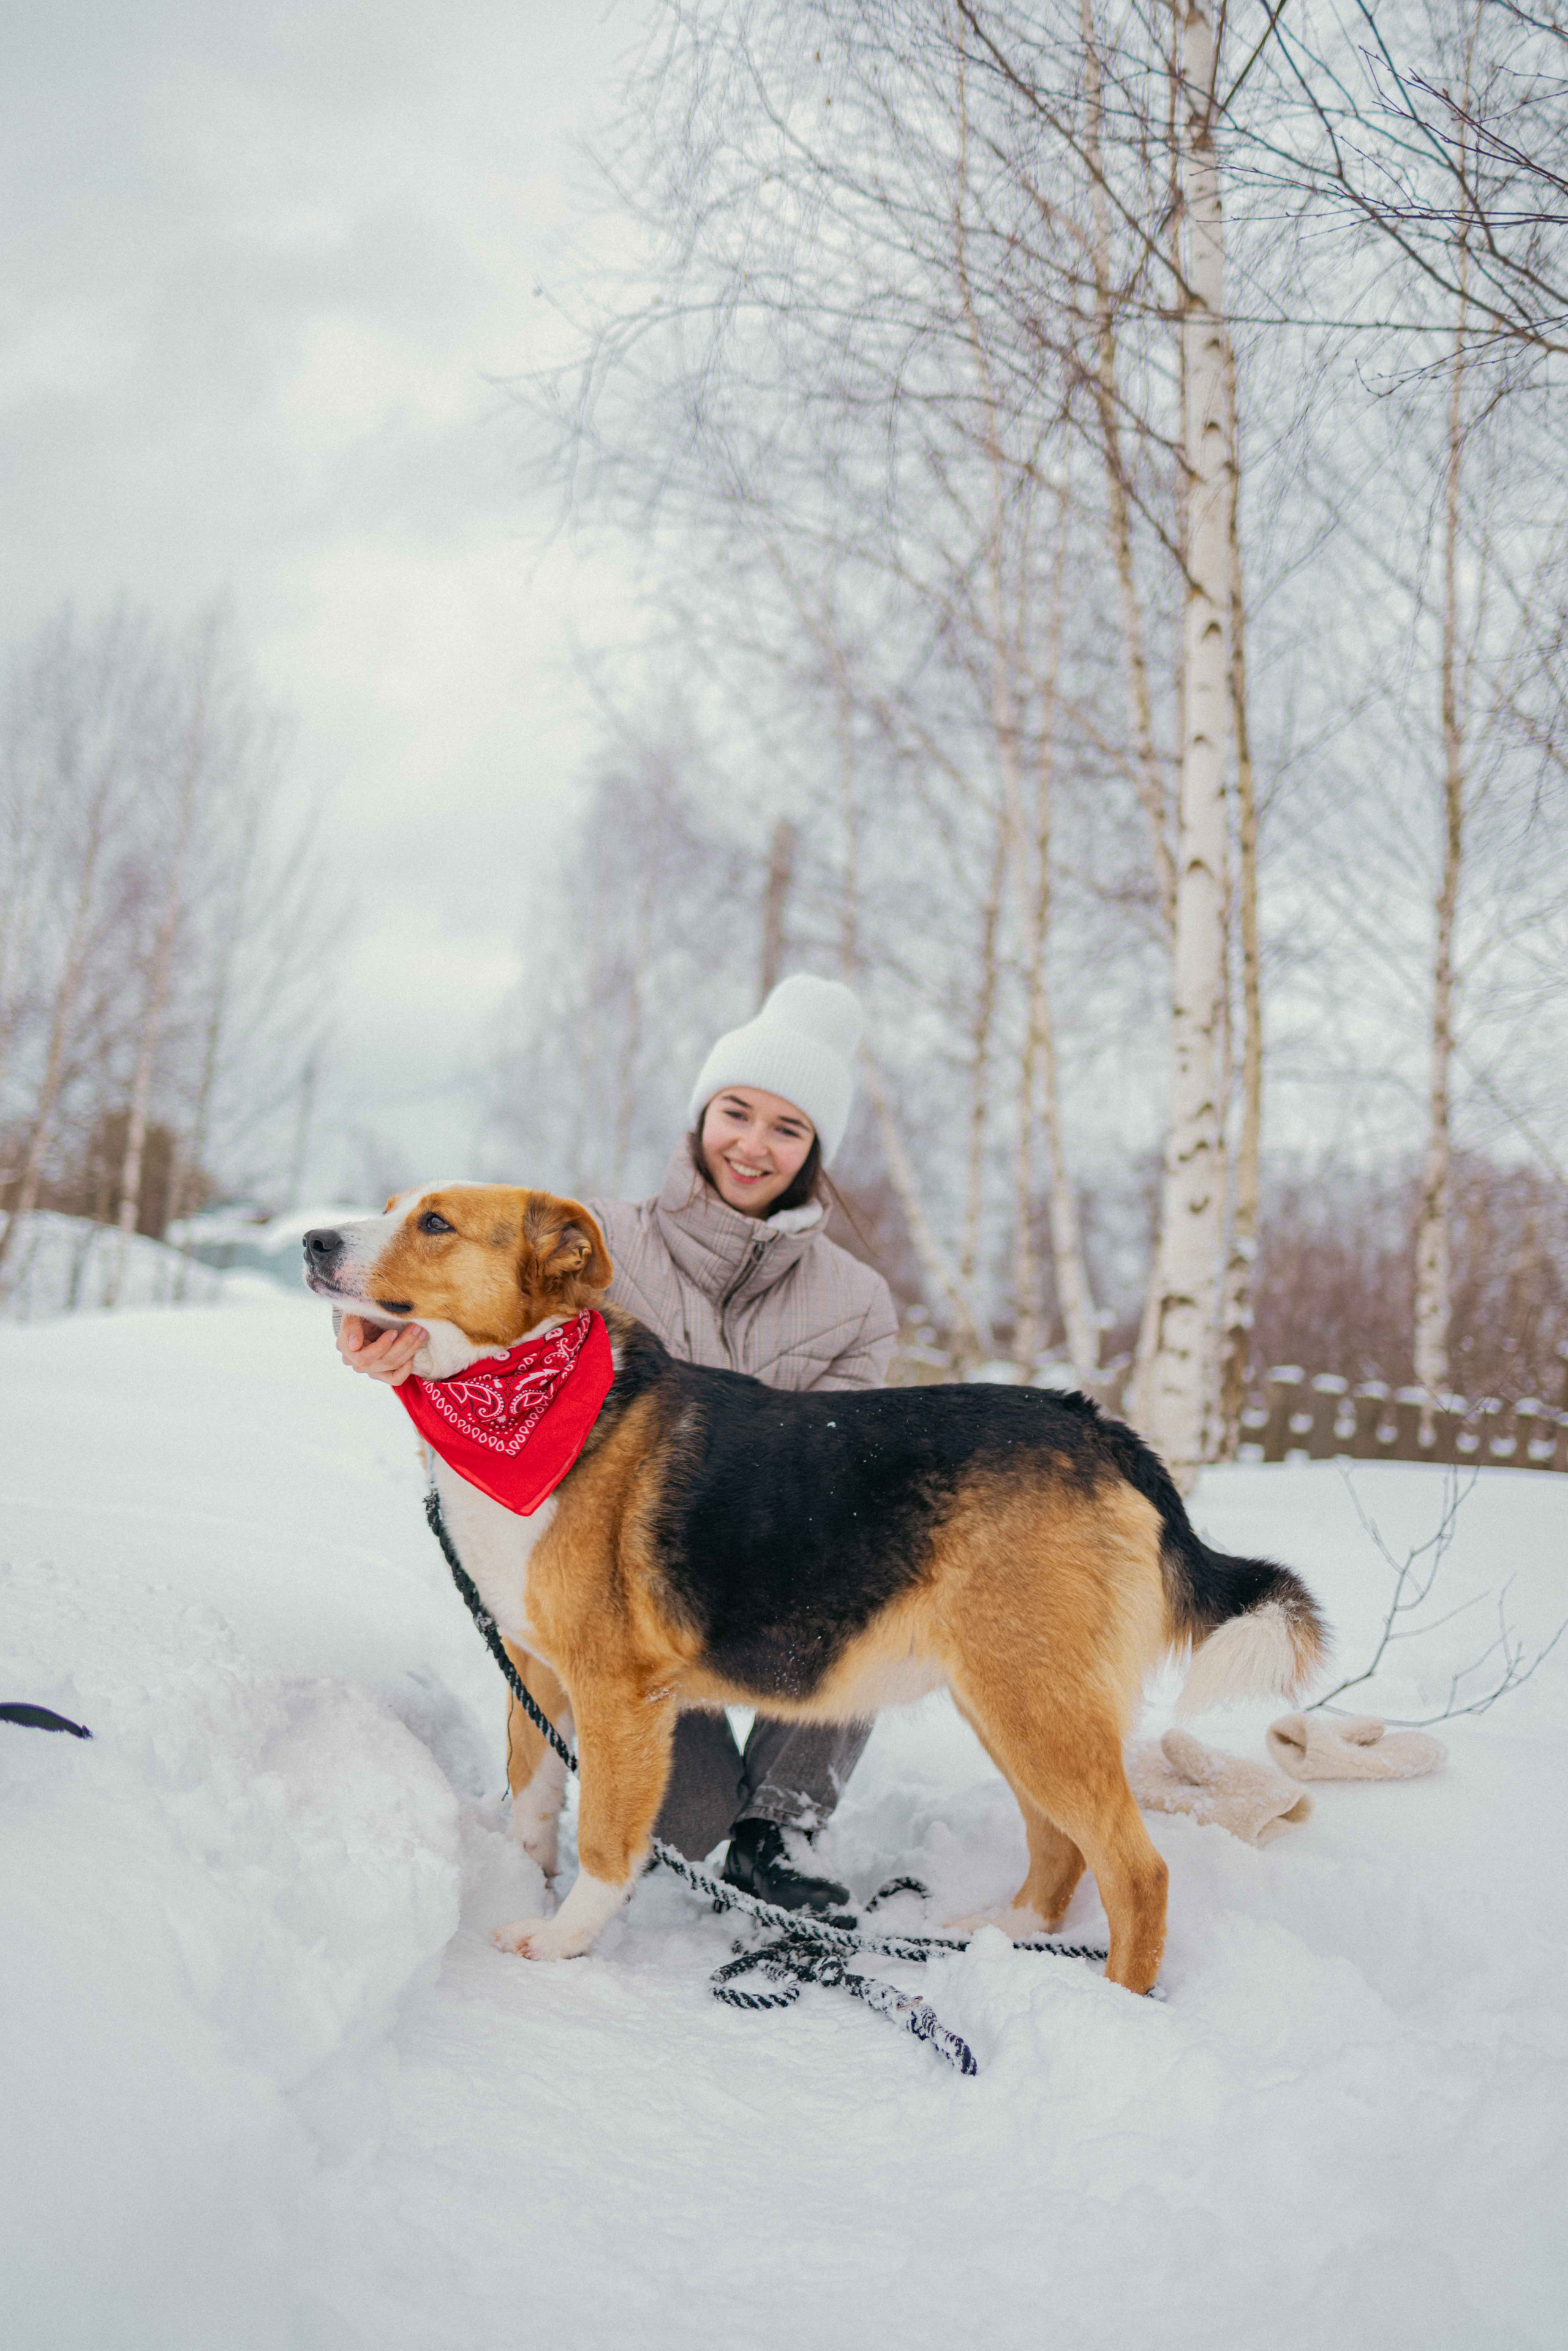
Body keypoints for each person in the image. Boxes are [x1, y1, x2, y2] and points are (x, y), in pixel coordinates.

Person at [337, 973, 899, 1914]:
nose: (754, 1144)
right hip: (633, 1578)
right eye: (737, 1111)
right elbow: (474, 1327)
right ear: (702, 1116)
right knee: (681, 1818)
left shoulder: (857, 1300)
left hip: (777, 1567)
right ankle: (660, 1806)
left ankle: (785, 1825)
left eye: (787, 1128)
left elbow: (835, 1470)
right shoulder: (605, 1245)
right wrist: (394, 1344)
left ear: (814, 1152)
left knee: (877, 1566)